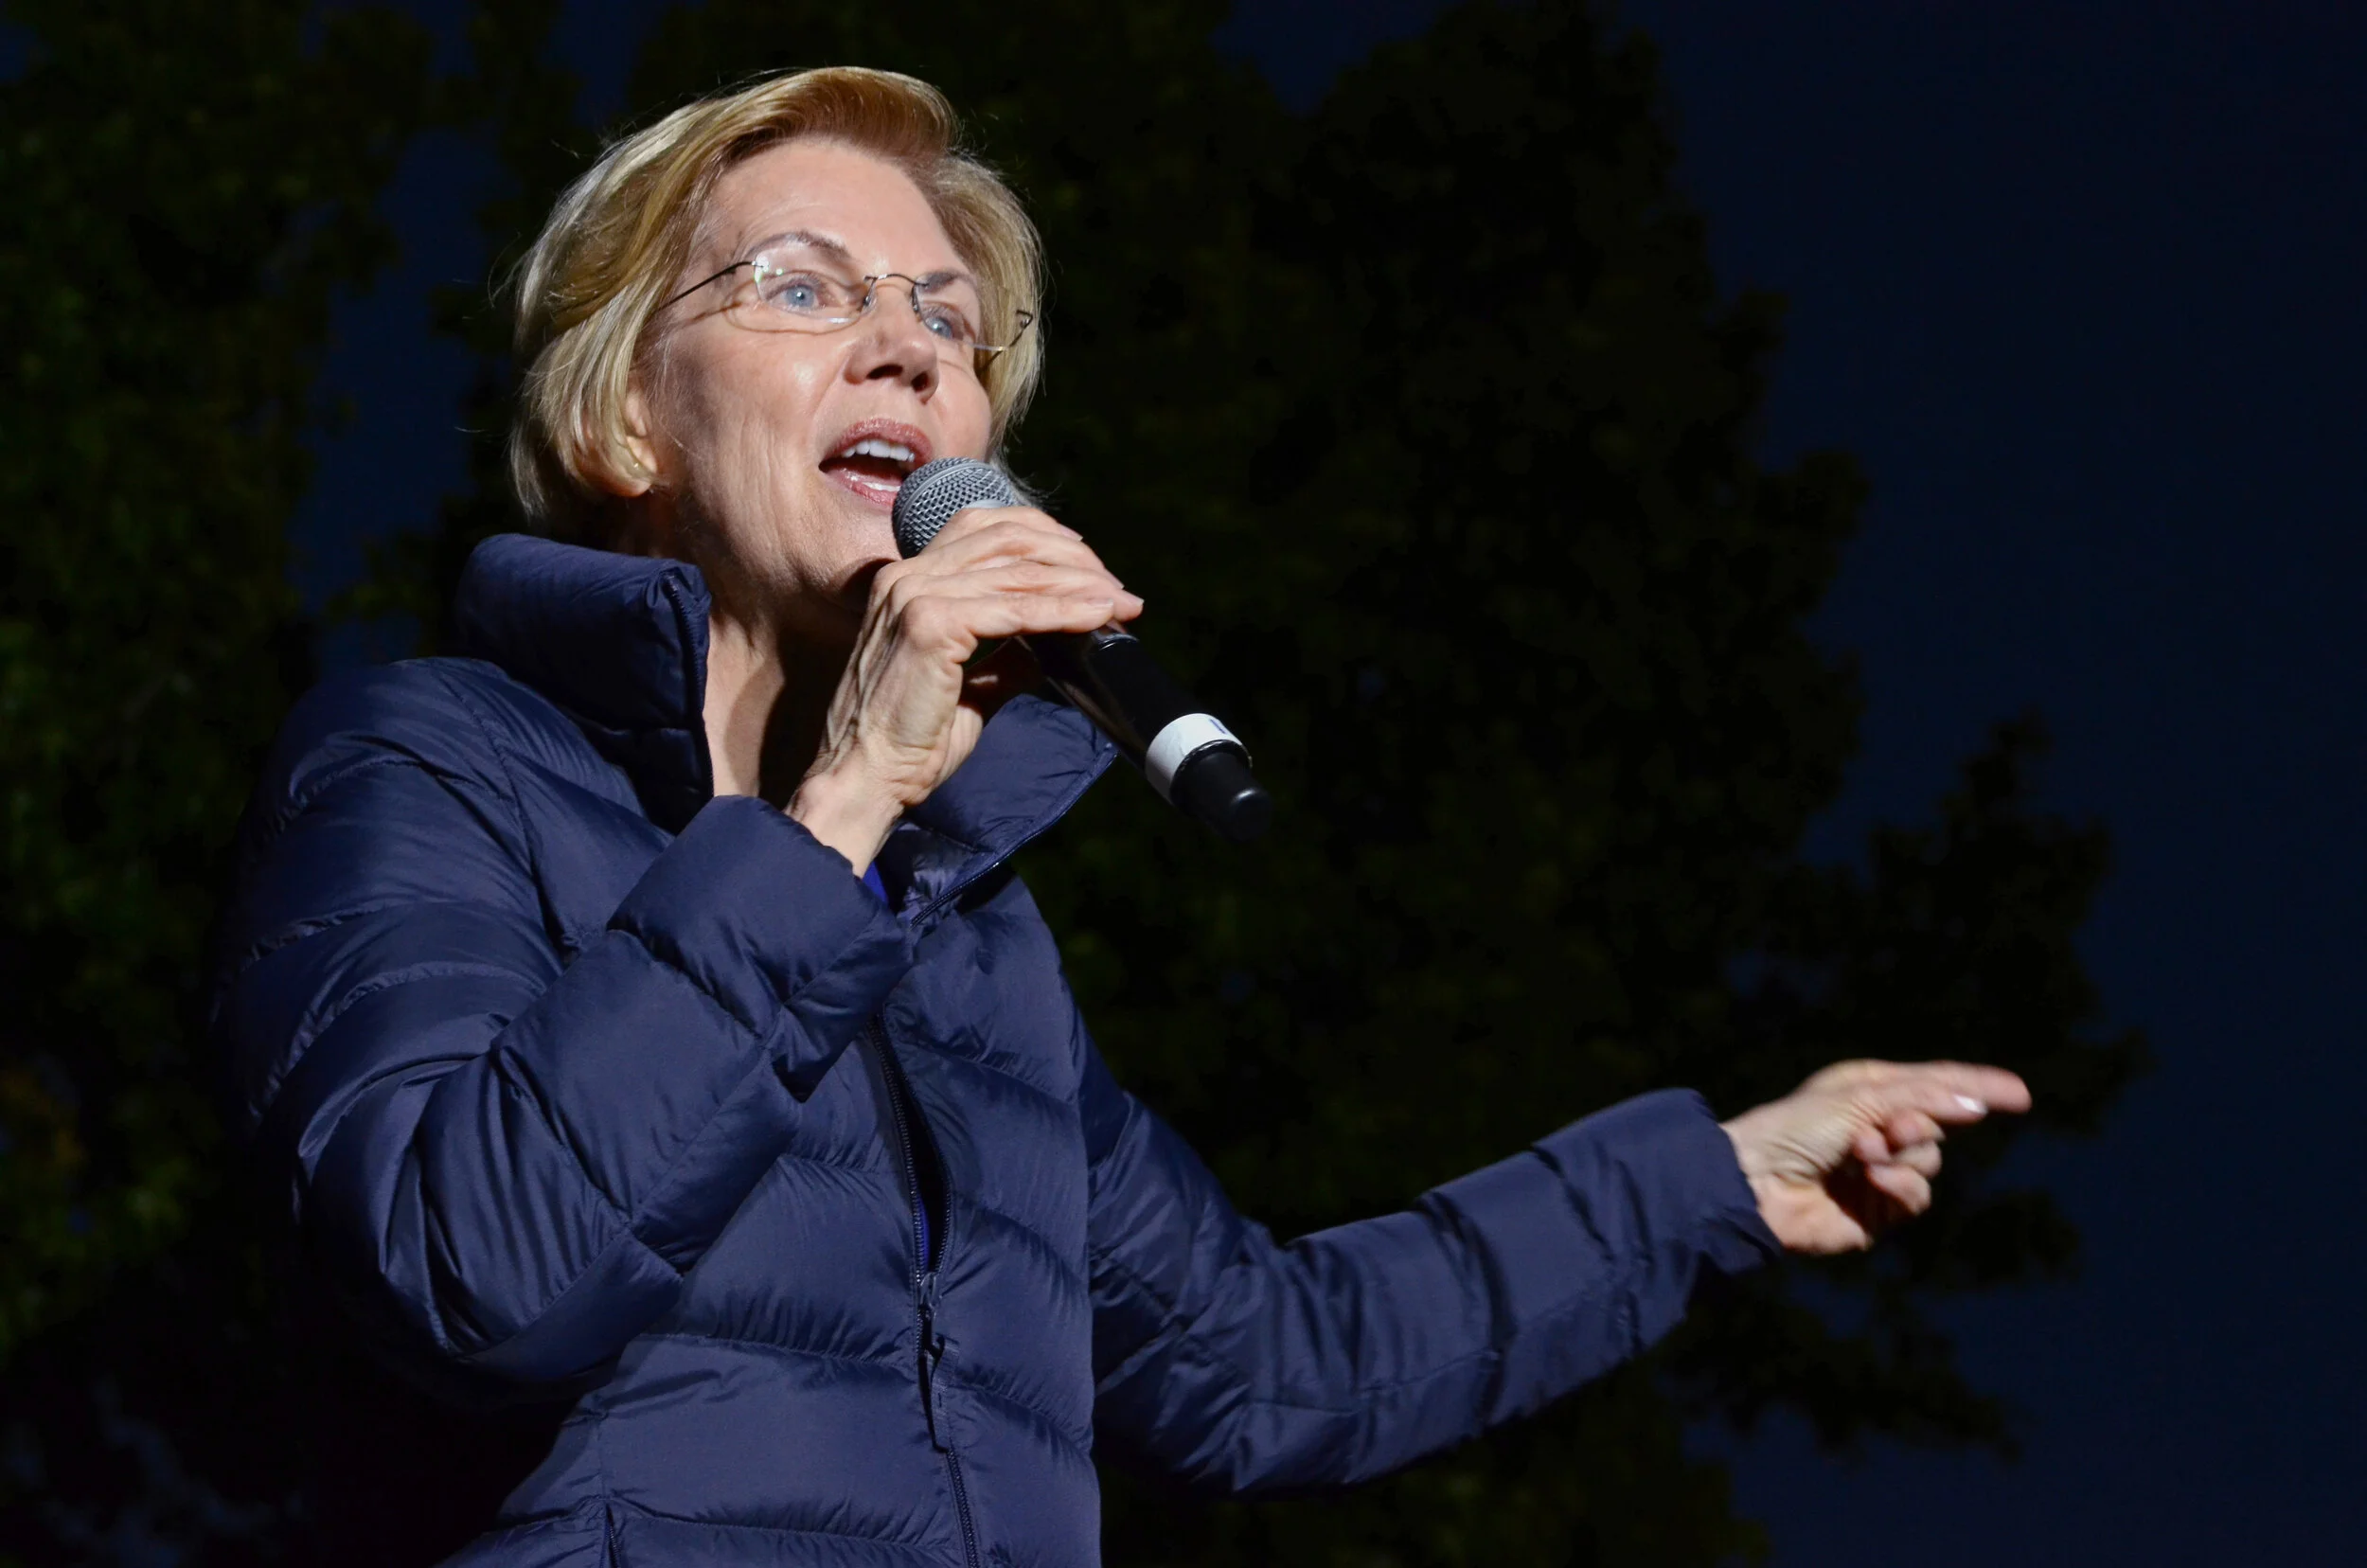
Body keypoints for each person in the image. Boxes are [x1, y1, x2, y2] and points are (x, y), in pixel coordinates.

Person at [212, 65, 2029, 1568]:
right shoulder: (430, 764)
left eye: (949, 317)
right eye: (803, 285)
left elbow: (1267, 1363)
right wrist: (842, 802)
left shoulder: (970, 942)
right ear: (624, 417)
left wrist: (1711, 1178)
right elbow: (468, 1271)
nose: (913, 353)